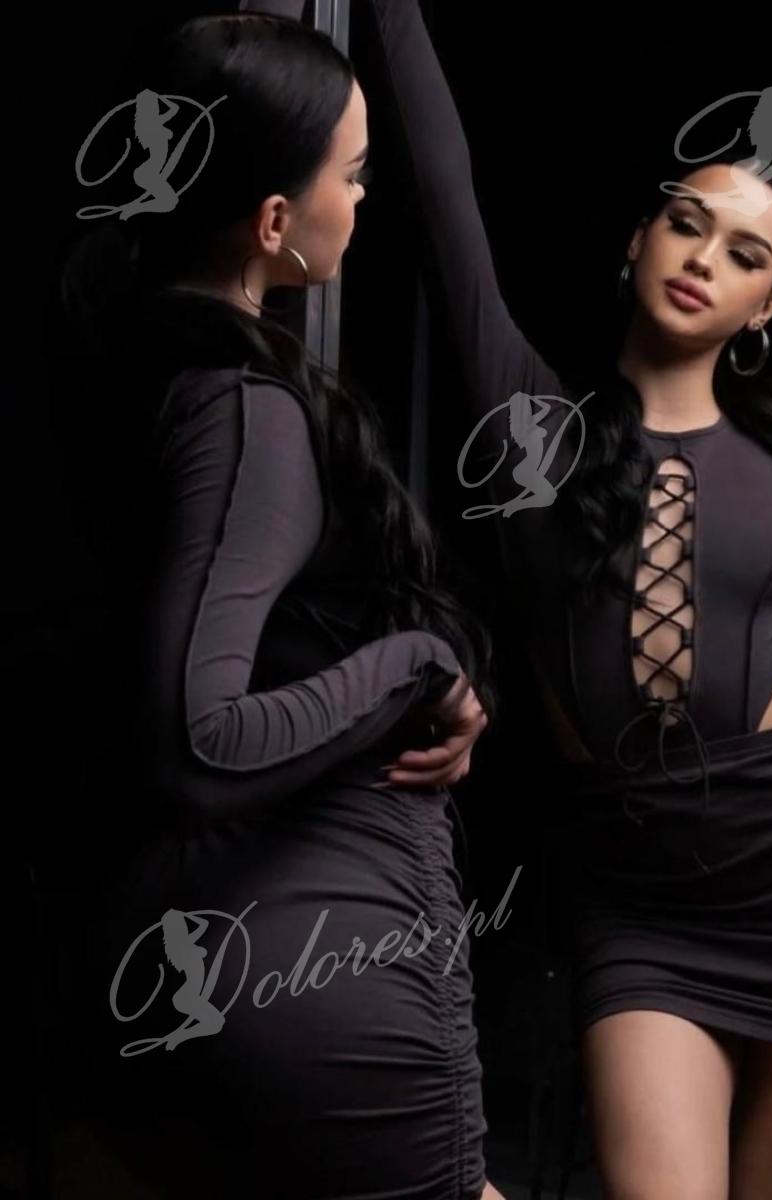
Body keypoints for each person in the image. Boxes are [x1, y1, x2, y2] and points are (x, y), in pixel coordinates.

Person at [351, 2, 772, 1197]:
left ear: (765, 310)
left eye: (745, 255)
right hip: (645, 916)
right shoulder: (528, 422)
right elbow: (446, 192)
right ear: (639, 239)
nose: (703, 258)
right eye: (686, 223)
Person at [44, 12, 508, 1198]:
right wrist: (414, 663)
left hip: (176, 974)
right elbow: (199, 739)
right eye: (350, 175)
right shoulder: (241, 411)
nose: (360, 200)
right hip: (319, 970)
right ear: (269, 221)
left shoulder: (123, 375)